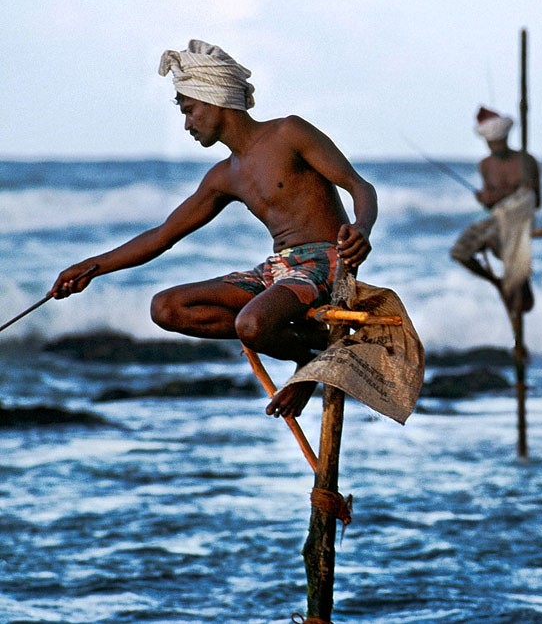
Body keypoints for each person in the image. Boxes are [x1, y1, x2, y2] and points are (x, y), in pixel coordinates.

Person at [49, 40, 378, 418]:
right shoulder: (223, 176)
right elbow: (162, 236)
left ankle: (308, 366)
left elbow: (359, 186)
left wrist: (361, 228)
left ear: (215, 99)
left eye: (189, 111)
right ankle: (318, 347)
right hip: (279, 269)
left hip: (326, 262)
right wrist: (90, 267)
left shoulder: (289, 134)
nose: (187, 124)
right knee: (167, 308)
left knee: (252, 324)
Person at [449, 106, 541, 312]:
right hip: (497, 220)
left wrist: (500, 197)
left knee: (505, 246)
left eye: (498, 141)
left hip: (520, 219)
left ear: (506, 137)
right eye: (492, 142)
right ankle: (497, 281)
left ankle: (517, 286)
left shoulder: (526, 161)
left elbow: (535, 200)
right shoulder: (485, 165)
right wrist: (485, 199)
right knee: (460, 252)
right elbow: (491, 204)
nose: (495, 146)